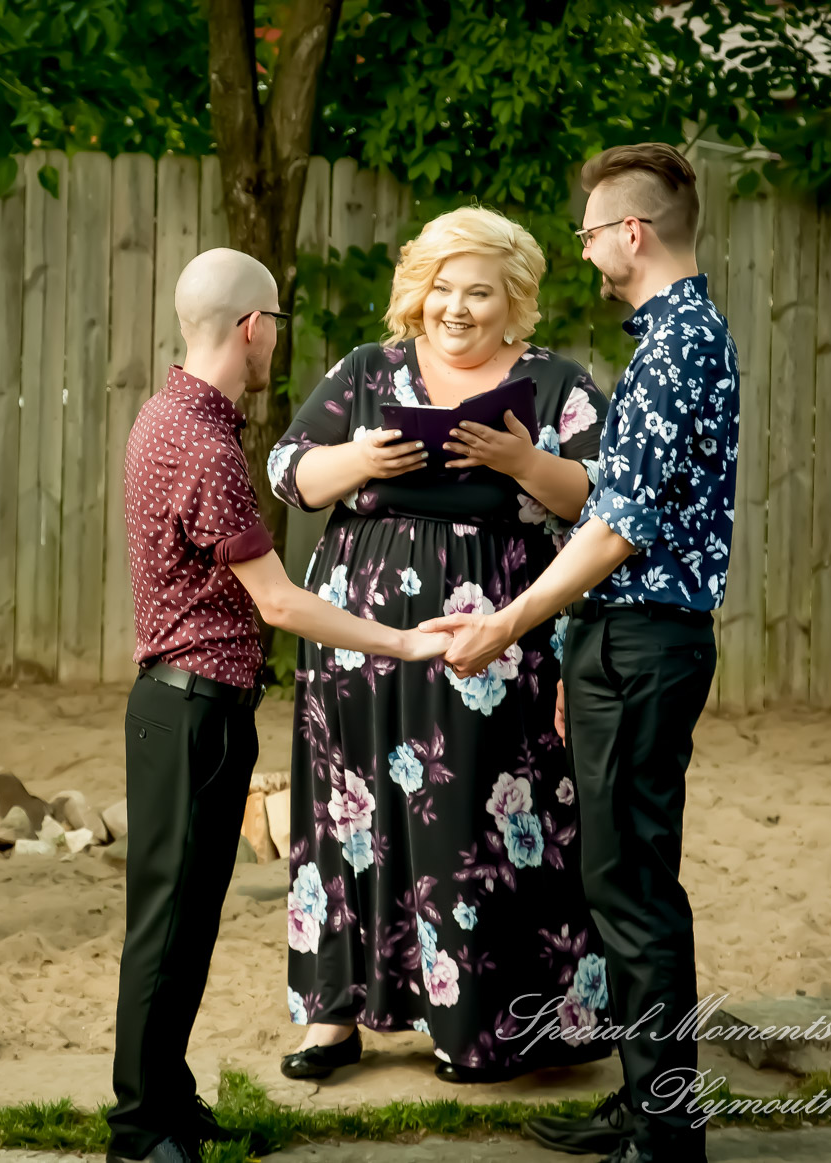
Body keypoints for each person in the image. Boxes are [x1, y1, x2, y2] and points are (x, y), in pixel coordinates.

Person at [422, 145, 739, 1163]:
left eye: (594, 229)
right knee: (624, 878)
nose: (589, 246)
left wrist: (511, 624)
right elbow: (610, 501)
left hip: (645, 644)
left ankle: (667, 1129)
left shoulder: (681, 341)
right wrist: (570, 645)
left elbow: (616, 529)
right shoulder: (671, 339)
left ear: (632, 233)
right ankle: (653, 1099)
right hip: (622, 642)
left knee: (633, 886)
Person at [107, 247, 450, 1163]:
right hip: (191, 712)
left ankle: (169, 1101)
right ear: (253, 327)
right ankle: (140, 1130)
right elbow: (282, 602)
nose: (274, 345)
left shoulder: (165, 414)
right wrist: (408, 639)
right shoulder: (208, 444)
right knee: (165, 927)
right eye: (275, 328)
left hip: (183, 708)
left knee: (184, 921)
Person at [267, 206, 614, 1085]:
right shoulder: (366, 370)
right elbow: (288, 472)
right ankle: (332, 1018)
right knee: (350, 815)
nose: (455, 309)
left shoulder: (554, 385)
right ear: (417, 293)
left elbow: (603, 502)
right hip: (359, 642)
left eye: (479, 293)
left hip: (494, 642)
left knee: (482, 824)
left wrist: (518, 460)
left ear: (515, 301)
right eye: (441, 289)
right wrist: (361, 462)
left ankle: (480, 1028)